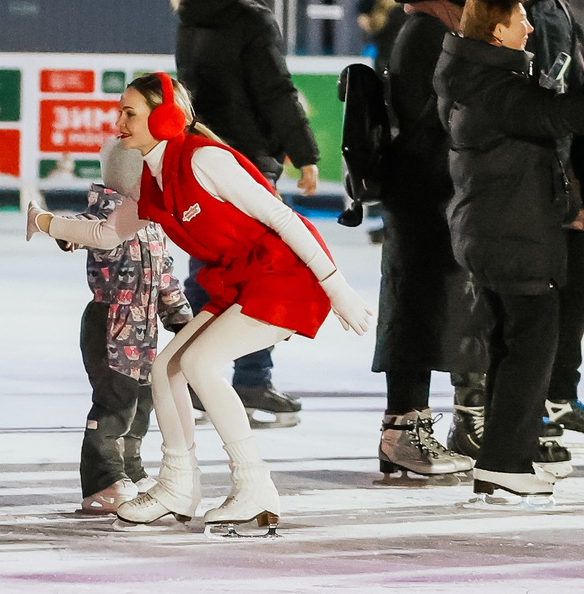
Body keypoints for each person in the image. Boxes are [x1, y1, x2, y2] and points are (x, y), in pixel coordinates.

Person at [26, 74, 373, 535]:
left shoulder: (204, 159)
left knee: (201, 363)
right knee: (166, 367)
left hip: (283, 277)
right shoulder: (153, 182)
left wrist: (337, 286)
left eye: (130, 113)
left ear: (166, 117)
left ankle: (254, 486)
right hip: (238, 282)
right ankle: (177, 485)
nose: (118, 122)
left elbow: (281, 216)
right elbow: (107, 233)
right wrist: (45, 221)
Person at [436, 0, 584, 506]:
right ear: (498, 30)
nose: (529, 27)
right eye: (520, 20)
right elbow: (555, 113)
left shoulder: (476, 78)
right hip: (513, 234)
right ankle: (505, 463)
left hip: (497, 230)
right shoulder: (497, 88)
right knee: (532, 347)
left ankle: (504, 459)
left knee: (512, 345)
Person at [171, 0, 316, 426]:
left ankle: (194, 375)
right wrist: (305, 151)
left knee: (212, 266)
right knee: (261, 269)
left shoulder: (193, 13)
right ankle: (248, 379)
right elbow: (274, 89)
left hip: (202, 157)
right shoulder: (253, 17)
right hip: (249, 162)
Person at [372, 0, 495, 482]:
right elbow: (434, 115)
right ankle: (403, 431)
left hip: (430, 186)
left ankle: (410, 427)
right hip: (424, 189)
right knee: (414, 305)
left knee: (426, 302)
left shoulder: (429, 21)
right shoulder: (428, 28)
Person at [493, 0, 584, 455]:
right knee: (534, 307)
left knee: (575, 295)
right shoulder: (508, 12)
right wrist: (567, 190)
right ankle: (524, 411)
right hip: (535, 186)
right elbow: (537, 110)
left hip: (562, 179)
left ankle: (556, 395)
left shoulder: (551, 7)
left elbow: (572, 98)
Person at [54, 149, 191, 510]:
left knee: (141, 400)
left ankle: (129, 467)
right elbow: (84, 229)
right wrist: (63, 233)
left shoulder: (152, 221)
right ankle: (103, 480)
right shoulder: (107, 212)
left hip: (143, 329)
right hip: (109, 324)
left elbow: (165, 276)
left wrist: (179, 317)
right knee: (115, 401)